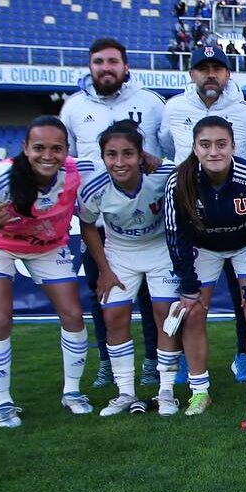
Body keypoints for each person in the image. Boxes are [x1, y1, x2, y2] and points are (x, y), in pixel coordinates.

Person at [0, 116, 94, 428]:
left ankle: (73, 392)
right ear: (25, 148)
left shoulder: (79, 170)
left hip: (49, 246)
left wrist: (150, 159)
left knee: (73, 315)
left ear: (67, 150)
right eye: (39, 148)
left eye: (56, 148)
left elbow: (123, 161)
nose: (47, 155)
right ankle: (3, 404)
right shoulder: (0, 177)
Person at [58, 37, 167, 389]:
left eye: (112, 62)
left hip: (150, 221)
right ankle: (108, 361)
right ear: (91, 67)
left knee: (155, 298)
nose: (106, 68)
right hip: (100, 219)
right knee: (102, 292)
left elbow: (169, 155)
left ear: (125, 66)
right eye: (99, 62)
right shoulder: (73, 107)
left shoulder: (151, 103)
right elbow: (67, 160)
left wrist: (156, 162)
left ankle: (153, 362)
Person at [160, 45, 246, 383]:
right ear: (191, 74)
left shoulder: (245, 111)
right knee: (190, 307)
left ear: (228, 73)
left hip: (239, 225)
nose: (211, 74)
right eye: (203, 68)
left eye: (217, 68)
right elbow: (166, 147)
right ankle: (192, 376)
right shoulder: (173, 108)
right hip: (199, 228)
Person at [164, 116, 246, 417]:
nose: (214, 151)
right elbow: (177, 236)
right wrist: (188, 286)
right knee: (193, 311)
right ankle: (199, 392)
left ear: (233, 147)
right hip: (205, 248)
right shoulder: (179, 181)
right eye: (205, 145)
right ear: (195, 148)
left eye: (221, 144)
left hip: (245, 246)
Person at [77, 121, 179, 415]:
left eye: (127, 154)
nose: (120, 162)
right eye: (111, 155)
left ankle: (166, 391)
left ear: (140, 154)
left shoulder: (163, 173)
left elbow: (188, 179)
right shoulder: (94, 189)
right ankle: (124, 393)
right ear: (103, 156)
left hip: (161, 249)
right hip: (120, 253)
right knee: (114, 315)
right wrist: (105, 270)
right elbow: (87, 226)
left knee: (166, 316)